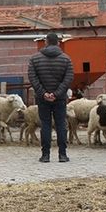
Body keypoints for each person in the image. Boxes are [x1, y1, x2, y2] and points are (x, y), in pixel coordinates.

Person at [28, 33, 74, 163]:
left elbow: (32, 77)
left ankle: (45, 155)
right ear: (58, 43)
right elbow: (69, 78)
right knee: (61, 124)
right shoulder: (66, 59)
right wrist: (57, 93)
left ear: (46, 42)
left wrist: (43, 93)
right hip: (59, 99)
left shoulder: (34, 59)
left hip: (42, 99)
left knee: (45, 125)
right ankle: (62, 155)